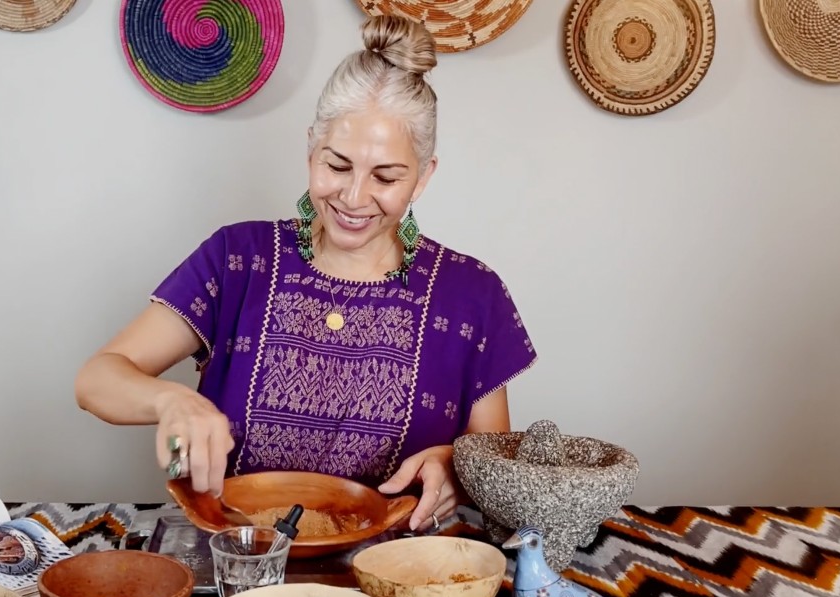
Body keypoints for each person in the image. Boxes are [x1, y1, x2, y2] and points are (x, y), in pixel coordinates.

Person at [75, 15, 536, 531]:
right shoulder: (238, 258)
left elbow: (497, 461)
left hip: (396, 574)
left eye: (386, 176)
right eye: (337, 165)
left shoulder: (471, 293)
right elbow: (97, 380)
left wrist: (456, 468)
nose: (354, 197)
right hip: (243, 570)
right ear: (311, 147)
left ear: (423, 178)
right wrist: (172, 400)